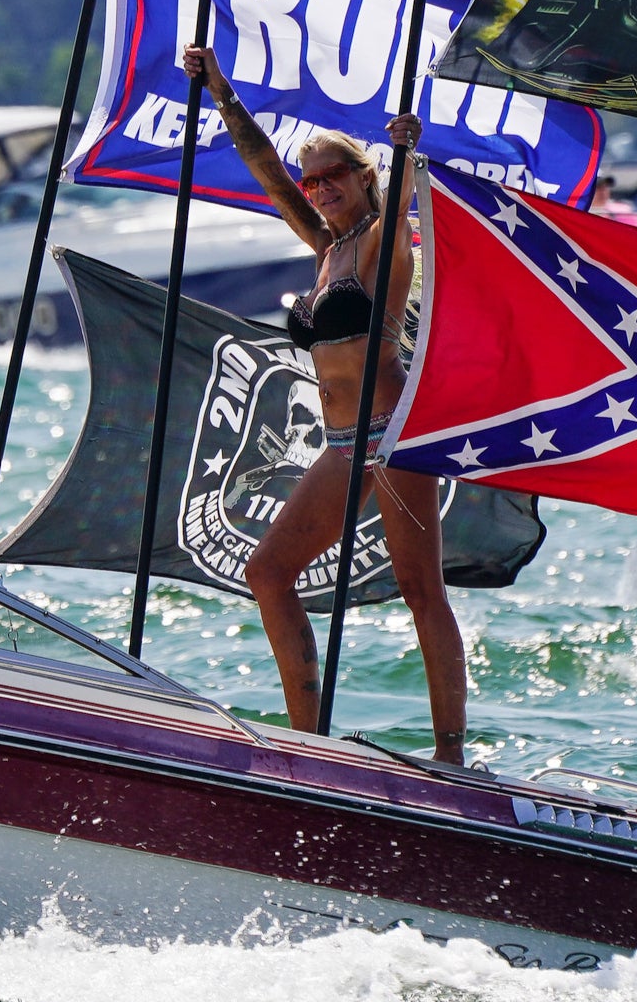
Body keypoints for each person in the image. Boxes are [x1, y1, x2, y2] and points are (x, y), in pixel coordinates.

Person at [183, 42, 469, 764]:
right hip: (342, 445)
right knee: (269, 573)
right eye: (314, 183)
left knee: (418, 589)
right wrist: (220, 93)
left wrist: (406, 150)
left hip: (395, 436)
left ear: (362, 178)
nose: (319, 189)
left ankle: (450, 753)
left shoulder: (380, 243)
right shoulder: (326, 248)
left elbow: (403, 199)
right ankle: (307, 745)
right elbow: (269, 174)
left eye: (334, 176)